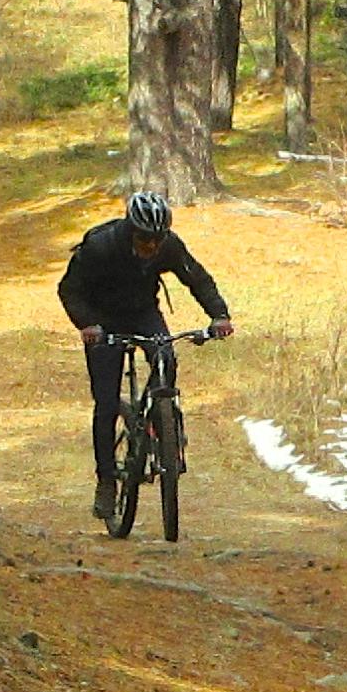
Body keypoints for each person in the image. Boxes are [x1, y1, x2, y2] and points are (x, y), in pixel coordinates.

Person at [59, 191, 236, 520]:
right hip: (103, 320)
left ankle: (162, 421)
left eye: (157, 240)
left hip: (143, 312)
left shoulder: (168, 245)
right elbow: (69, 289)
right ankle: (107, 481)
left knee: (165, 357)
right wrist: (87, 324)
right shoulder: (100, 246)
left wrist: (219, 315)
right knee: (107, 404)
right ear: (130, 230)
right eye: (144, 239)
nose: (151, 247)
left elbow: (196, 278)